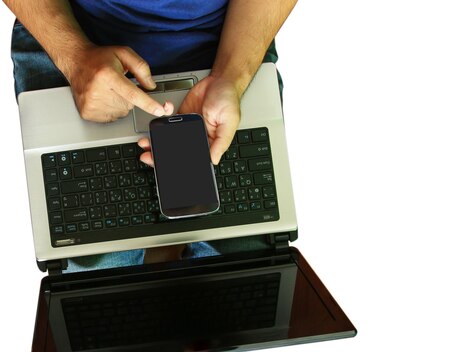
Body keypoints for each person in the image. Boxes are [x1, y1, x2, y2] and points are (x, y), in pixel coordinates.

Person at [3, 0, 297, 270]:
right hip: (73, 25)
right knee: (95, 277)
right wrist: (75, 59)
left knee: (251, 271)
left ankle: (167, 245)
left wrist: (231, 77)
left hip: (230, 31)